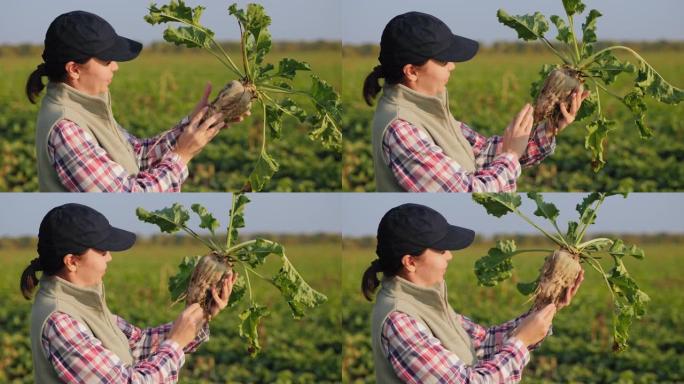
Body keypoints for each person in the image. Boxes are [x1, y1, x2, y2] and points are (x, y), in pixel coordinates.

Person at [363, 12, 589, 192]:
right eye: (443, 60)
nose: (452, 65)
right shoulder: (401, 128)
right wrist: (510, 155)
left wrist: (550, 129)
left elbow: (482, 154)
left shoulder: (428, 107)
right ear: (412, 71)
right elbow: (469, 192)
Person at [26, 11, 250, 192]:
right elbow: (129, 193)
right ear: (74, 69)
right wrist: (182, 156)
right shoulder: (66, 128)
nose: (116, 66)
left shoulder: (86, 105)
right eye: (107, 60)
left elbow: (137, 156)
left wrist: (198, 122)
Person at [361, 203, 584, 383]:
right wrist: (520, 342)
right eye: (441, 250)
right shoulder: (399, 321)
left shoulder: (426, 298)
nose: (450, 256)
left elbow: (482, 342)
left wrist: (546, 306)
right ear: (410, 262)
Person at [19, 203, 238, 383]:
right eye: (103, 251)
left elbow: (137, 344)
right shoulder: (60, 321)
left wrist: (201, 315)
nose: (109, 258)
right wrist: (175, 344)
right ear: (72, 261)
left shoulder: (81, 300)